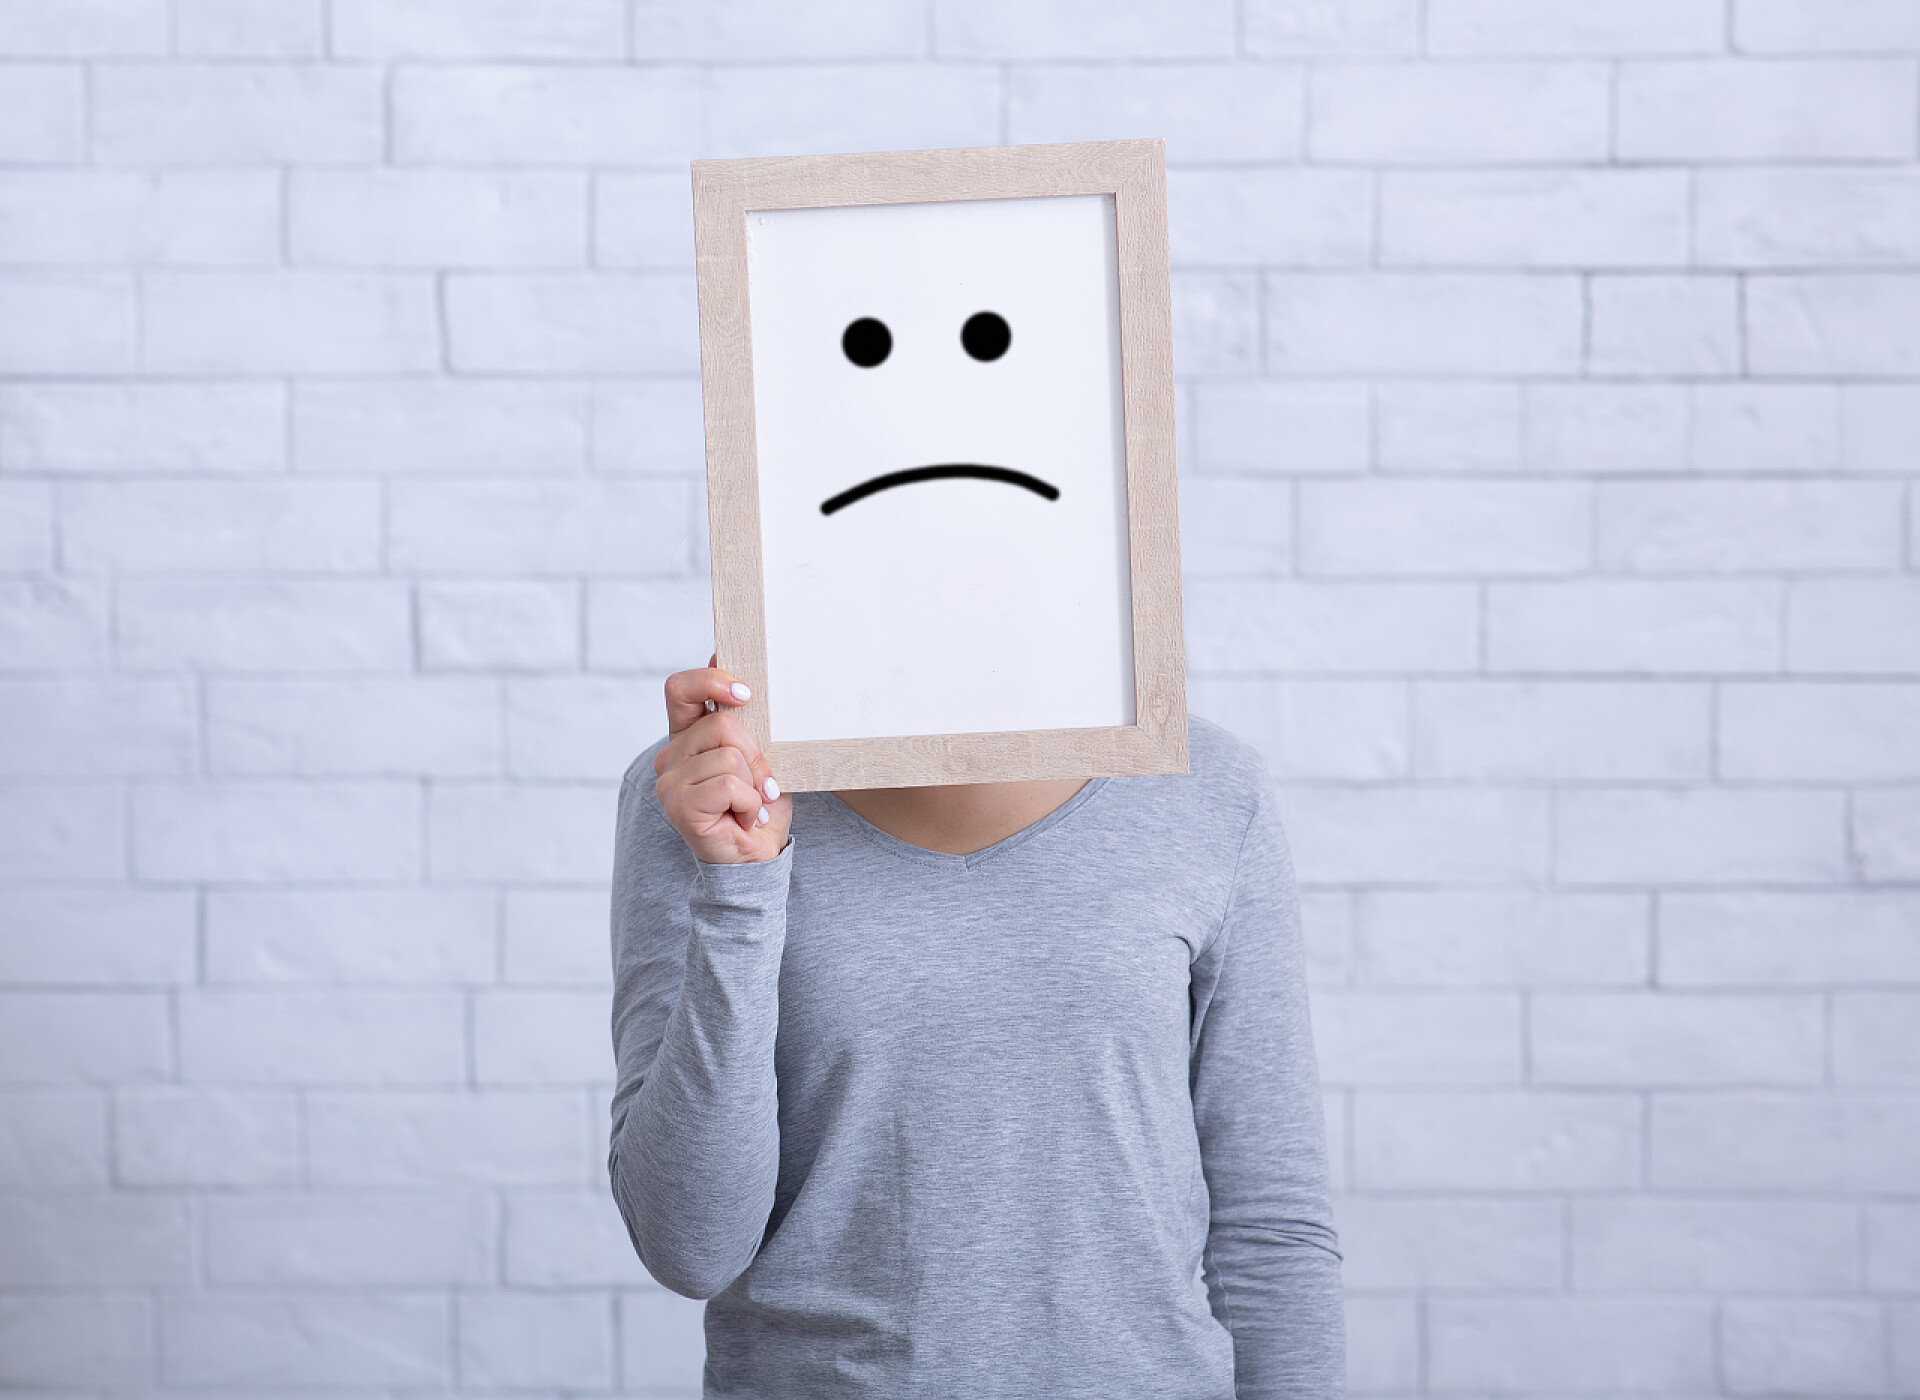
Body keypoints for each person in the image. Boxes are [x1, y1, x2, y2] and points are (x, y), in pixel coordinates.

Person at [607, 657, 1345, 1399]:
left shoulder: (1212, 789)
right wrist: (737, 884)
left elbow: (1270, 1229)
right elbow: (692, 1250)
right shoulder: (704, 794)